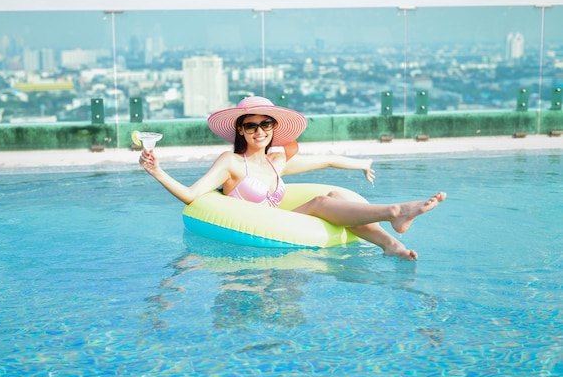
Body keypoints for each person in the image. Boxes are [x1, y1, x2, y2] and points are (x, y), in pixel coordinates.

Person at [140, 96, 446, 260]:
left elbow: (326, 160)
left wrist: (362, 164)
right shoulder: (232, 162)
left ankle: (390, 243)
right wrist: (157, 171)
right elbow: (193, 195)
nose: (259, 131)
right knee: (319, 202)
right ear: (240, 130)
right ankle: (395, 211)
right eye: (250, 126)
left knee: (336, 199)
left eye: (266, 124)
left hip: (283, 224)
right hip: (255, 229)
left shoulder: (277, 162)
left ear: (274, 127)